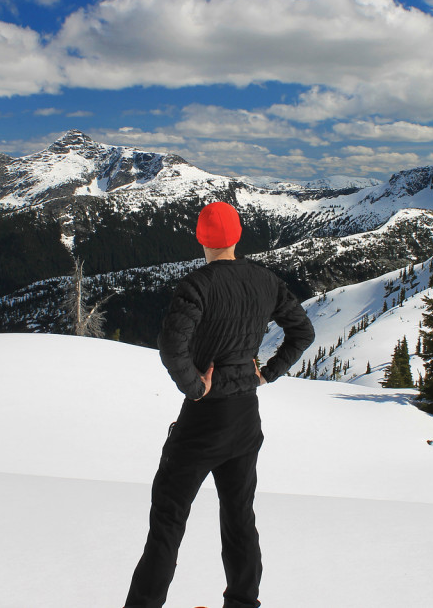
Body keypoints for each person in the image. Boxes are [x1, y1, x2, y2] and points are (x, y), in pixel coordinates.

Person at [124, 201, 315, 608]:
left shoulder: (197, 285)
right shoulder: (267, 281)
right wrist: (268, 372)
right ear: (238, 235)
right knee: (239, 517)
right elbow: (303, 332)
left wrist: (196, 387)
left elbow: (172, 347)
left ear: (200, 237)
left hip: (204, 420)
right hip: (246, 418)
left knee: (168, 524)